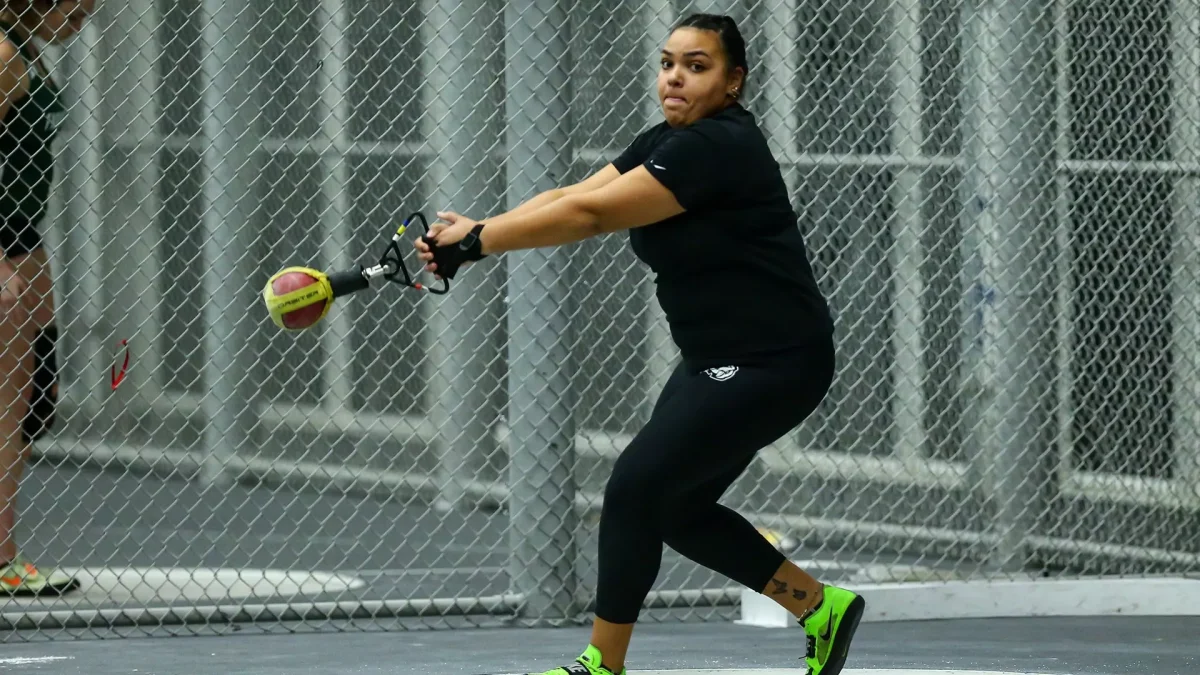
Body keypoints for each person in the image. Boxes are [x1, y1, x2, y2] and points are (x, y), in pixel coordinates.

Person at [416, 13, 865, 675]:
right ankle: (820, 606)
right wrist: (482, 228)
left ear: (734, 81)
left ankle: (603, 664)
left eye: (697, 65)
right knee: (674, 506)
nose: (675, 77)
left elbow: (591, 216)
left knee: (633, 490)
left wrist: (479, 242)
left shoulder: (714, 148)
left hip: (774, 360)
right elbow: (576, 191)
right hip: (719, 358)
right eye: (667, 63)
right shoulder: (667, 138)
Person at [0, 0, 93, 596]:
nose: (90, 10)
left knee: (33, 404)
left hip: (22, 240)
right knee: (5, 408)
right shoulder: (5, 55)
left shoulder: (25, 47)